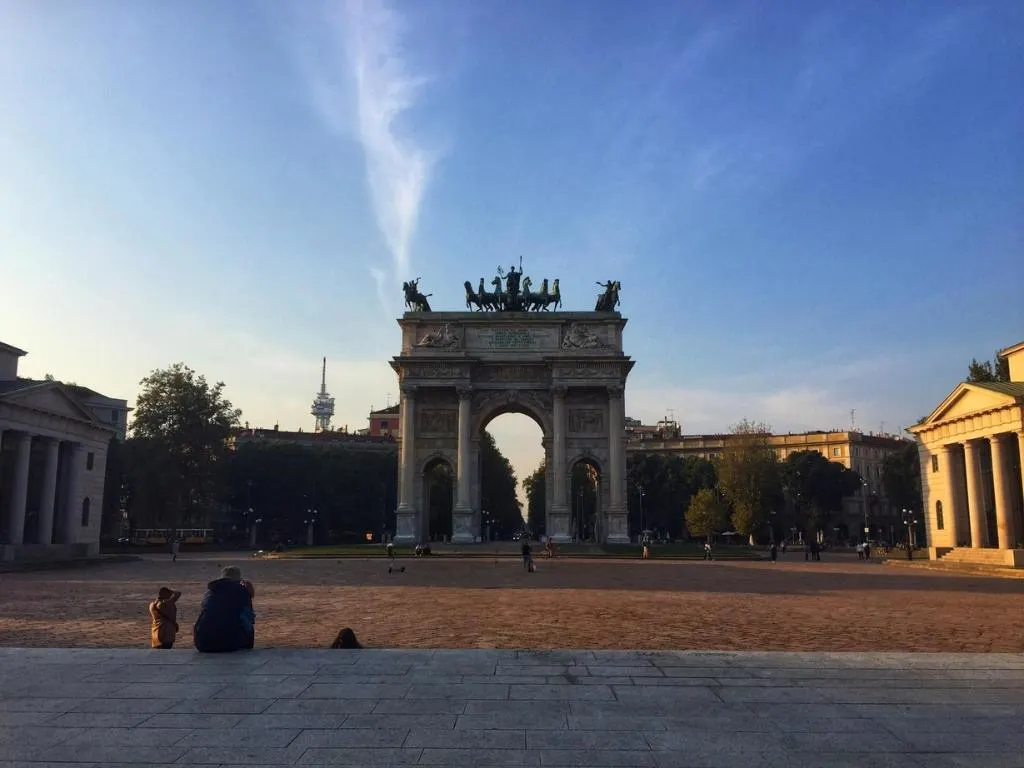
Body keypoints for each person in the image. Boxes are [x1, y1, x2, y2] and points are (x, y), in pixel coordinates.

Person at [193, 566, 256, 653]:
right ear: (238, 580)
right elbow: (248, 618)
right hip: (229, 643)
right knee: (246, 620)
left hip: (202, 643)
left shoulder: (210, 591)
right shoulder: (241, 591)